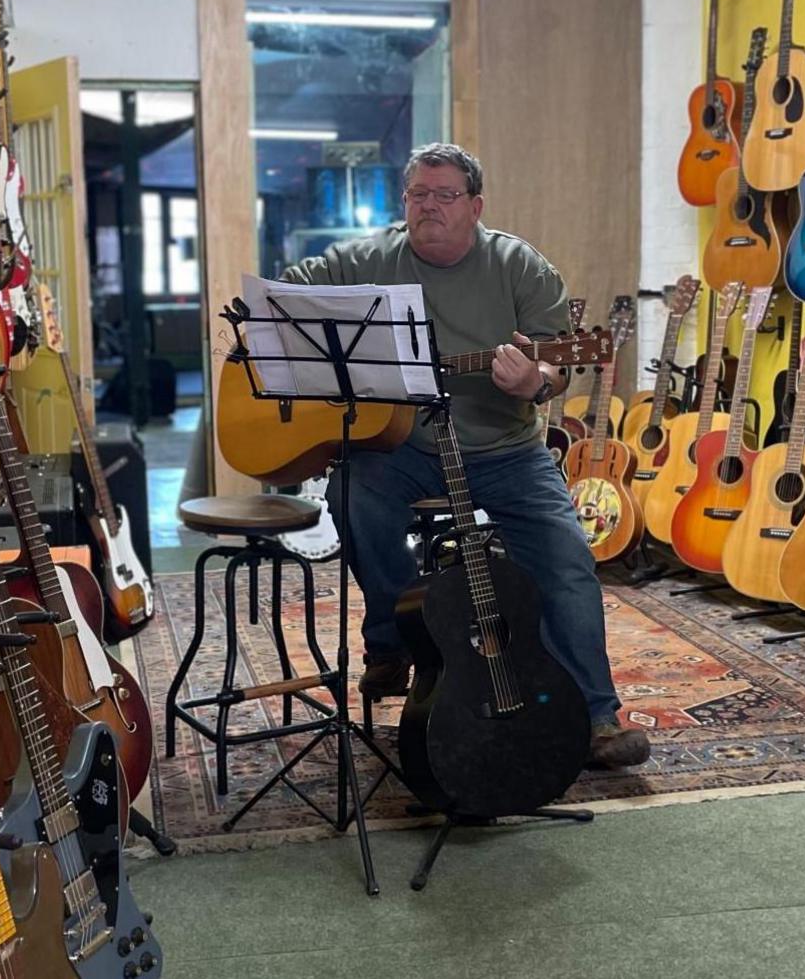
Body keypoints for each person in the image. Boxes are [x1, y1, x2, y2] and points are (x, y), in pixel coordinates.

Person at [278, 143, 649, 770]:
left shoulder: (520, 268)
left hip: (505, 450)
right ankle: (394, 642)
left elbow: (558, 369)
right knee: (349, 492)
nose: (428, 206)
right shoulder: (370, 257)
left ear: (475, 206)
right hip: (405, 447)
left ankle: (595, 714)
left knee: (566, 557)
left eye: (444, 196)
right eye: (418, 194)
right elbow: (288, 294)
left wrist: (533, 383)